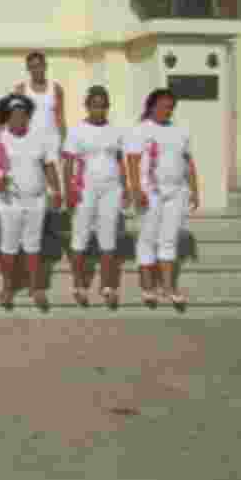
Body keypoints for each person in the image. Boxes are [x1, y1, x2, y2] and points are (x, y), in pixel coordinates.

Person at [0, 94, 63, 311]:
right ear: (8, 117)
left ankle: (36, 289)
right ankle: (7, 288)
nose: (19, 119)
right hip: (10, 202)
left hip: (36, 201)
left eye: (23, 115)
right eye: (14, 115)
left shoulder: (39, 137)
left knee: (33, 247)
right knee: (8, 248)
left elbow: (48, 166)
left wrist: (56, 191)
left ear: (28, 116)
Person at [126, 89, 198, 311]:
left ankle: (168, 287)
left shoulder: (180, 132)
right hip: (151, 192)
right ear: (151, 106)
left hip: (176, 192)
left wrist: (195, 189)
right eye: (163, 106)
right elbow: (132, 161)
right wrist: (136, 189)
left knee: (168, 240)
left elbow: (188, 161)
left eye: (170, 107)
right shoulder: (140, 130)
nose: (167, 110)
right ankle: (148, 287)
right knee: (147, 239)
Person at [63, 86, 129, 309]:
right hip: (85, 188)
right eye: (95, 105)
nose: (99, 110)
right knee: (80, 235)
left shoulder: (116, 131)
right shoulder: (77, 131)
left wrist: (126, 187)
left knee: (108, 236)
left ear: (107, 107)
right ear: (87, 106)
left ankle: (107, 286)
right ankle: (79, 285)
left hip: (111, 189)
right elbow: (68, 162)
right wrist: (68, 190)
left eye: (103, 106)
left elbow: (120, 160)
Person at [14, 51, 66, 144]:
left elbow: (60, 118)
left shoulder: (56, 89)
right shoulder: (21, 90)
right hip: (29, 142)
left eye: (39, 66)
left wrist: (63, 142)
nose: (36, 70)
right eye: (32, 67)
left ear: (45, 66)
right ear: (28, 69)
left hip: (52, 142)